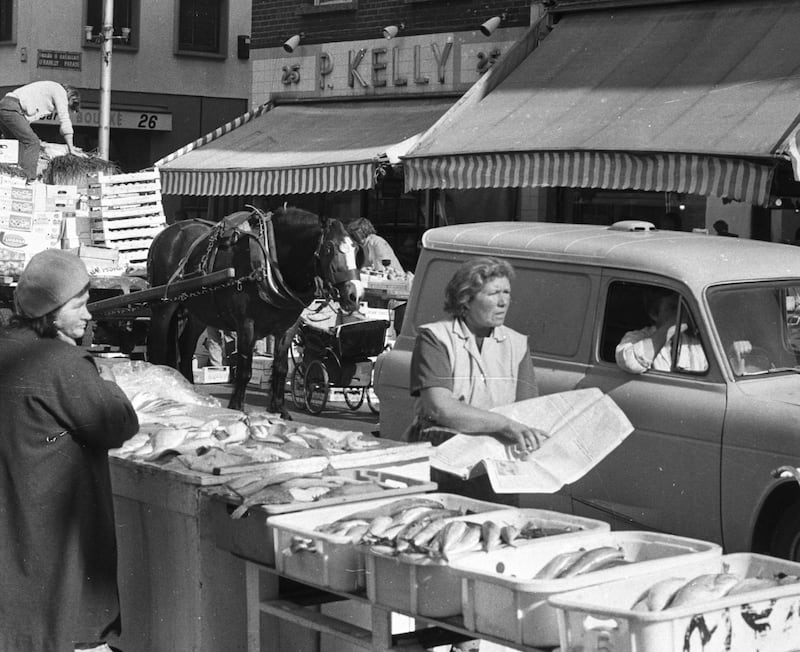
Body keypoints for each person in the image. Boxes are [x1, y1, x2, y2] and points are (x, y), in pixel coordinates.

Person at [0, 249, 139, 652]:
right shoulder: (62, 363)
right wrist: (106, 377)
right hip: (57, 560)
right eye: (79, 305)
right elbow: (118, 423)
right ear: (51, 309)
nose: (89, 315)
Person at [0, 81, 82, 181]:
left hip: (6, 105)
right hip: (13, 107)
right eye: (69, 107)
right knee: (32, 143)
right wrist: (71, 148)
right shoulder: (60, 91)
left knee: (16, 147)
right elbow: (65, 121)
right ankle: (28, 180)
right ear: (71, 98)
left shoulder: (48, 91)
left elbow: (25, 122)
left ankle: (9, 177)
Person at [616, 288, 709, 374]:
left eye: (682, 308)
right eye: (673, 308)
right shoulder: (636, 337)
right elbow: (630, 362)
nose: (681, 313)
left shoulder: (696, 345)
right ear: (654, 314)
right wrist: (671, 327)